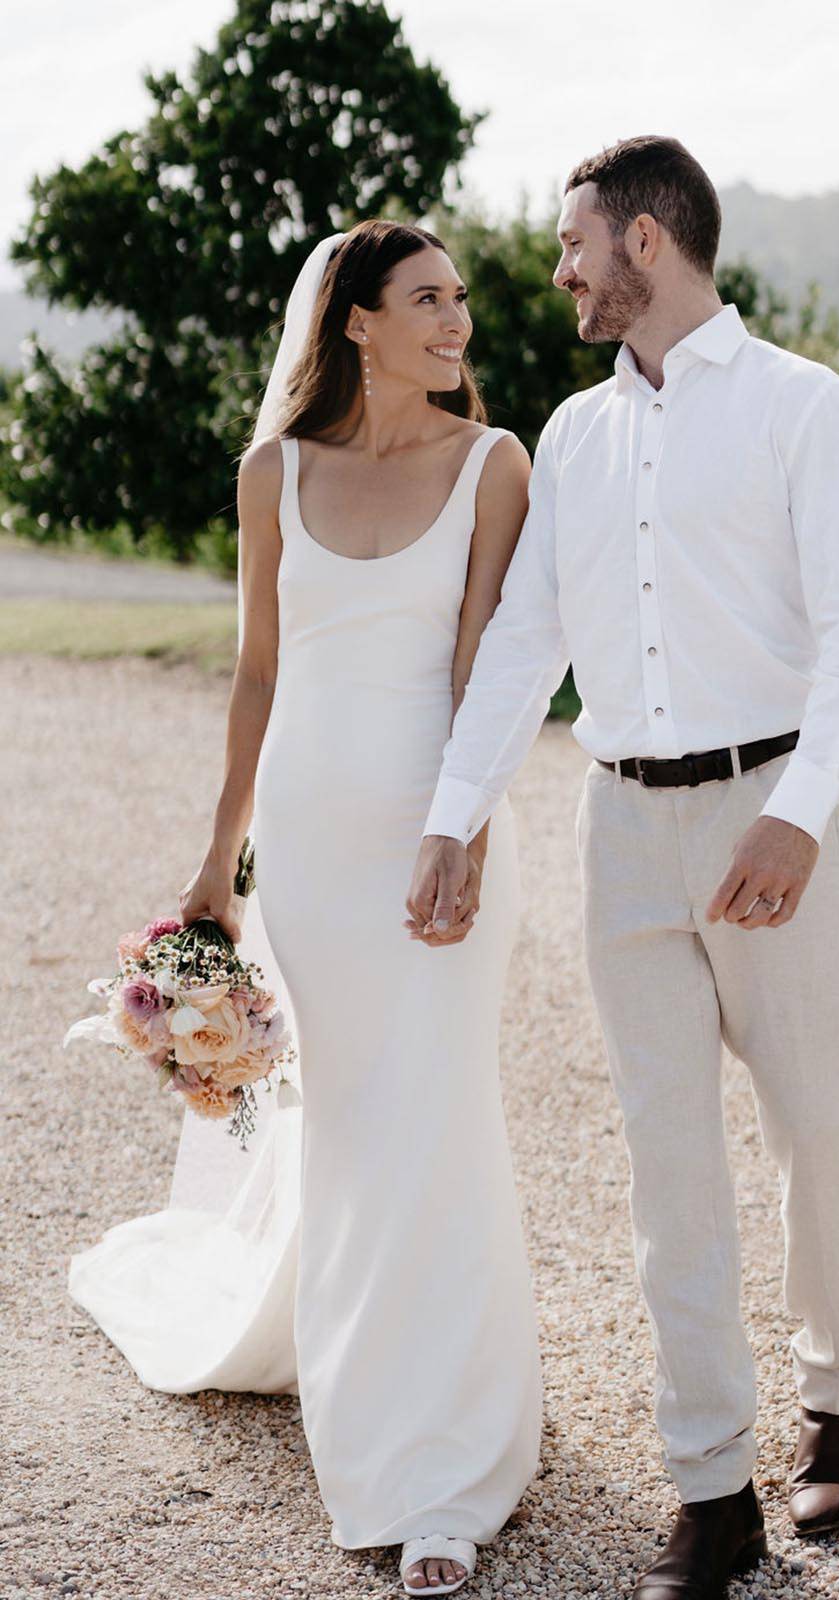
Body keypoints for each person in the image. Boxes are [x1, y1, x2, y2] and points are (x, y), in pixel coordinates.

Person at [408, 136, 839, 1600]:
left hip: (769, 814)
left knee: (815, 1121)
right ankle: (712, 1489)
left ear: (646, 241)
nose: (556, 274)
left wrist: (801, 811)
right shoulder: (571, 435)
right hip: (618, 825)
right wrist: (455, 811)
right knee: (665, 1159)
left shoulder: (805, 407)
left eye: (576, 246)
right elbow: (525, 643)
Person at [72, 220, 543, 1599]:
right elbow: (258, 678)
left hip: (441, 838)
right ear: (355, 323)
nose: (457, 322)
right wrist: (218, 864)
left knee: (441, 1117)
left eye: (460, 300)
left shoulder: (493, 465)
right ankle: (365, 1410)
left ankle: (448, 1473)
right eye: (427, 300)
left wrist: (459, 830)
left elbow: (481, 673)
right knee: (348, 1126)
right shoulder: (270, 473)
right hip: (316, 855)